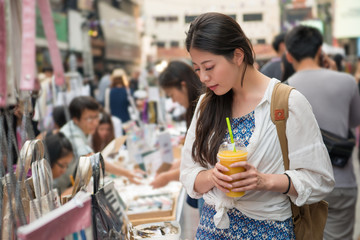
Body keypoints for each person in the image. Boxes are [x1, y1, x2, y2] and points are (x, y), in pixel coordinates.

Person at [180, 12, 335, 239]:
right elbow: (188, 171)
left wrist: (264, 181)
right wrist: (213, 177)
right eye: (197, 69)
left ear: (238, 55)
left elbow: (319, 179)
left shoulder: (287, 103)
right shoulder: (206, 104)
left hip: (268, 231)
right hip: (213, 229)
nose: (203, 77)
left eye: (209, 67)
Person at [285, 25, 360, 240]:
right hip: (342, 180)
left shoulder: (284, 89)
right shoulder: (347, 82)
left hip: (302, 184)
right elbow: (354, 120)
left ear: (289, 56)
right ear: (320, 51)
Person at [54, 96, 141, 193]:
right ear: (76, 119)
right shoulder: (74, 135)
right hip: (59, 190)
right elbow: (95, 160)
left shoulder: (77, 128)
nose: (95, 122)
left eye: (96, 116)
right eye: (90, 118)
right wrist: (128, 173)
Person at [149, 61, 204, 211]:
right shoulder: (194, 109)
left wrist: (167, 177)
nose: (173, 101)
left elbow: (202, 163)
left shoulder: (204, 108)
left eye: (172, 95)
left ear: (183, 85)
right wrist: (179, 163)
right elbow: (196, 157)